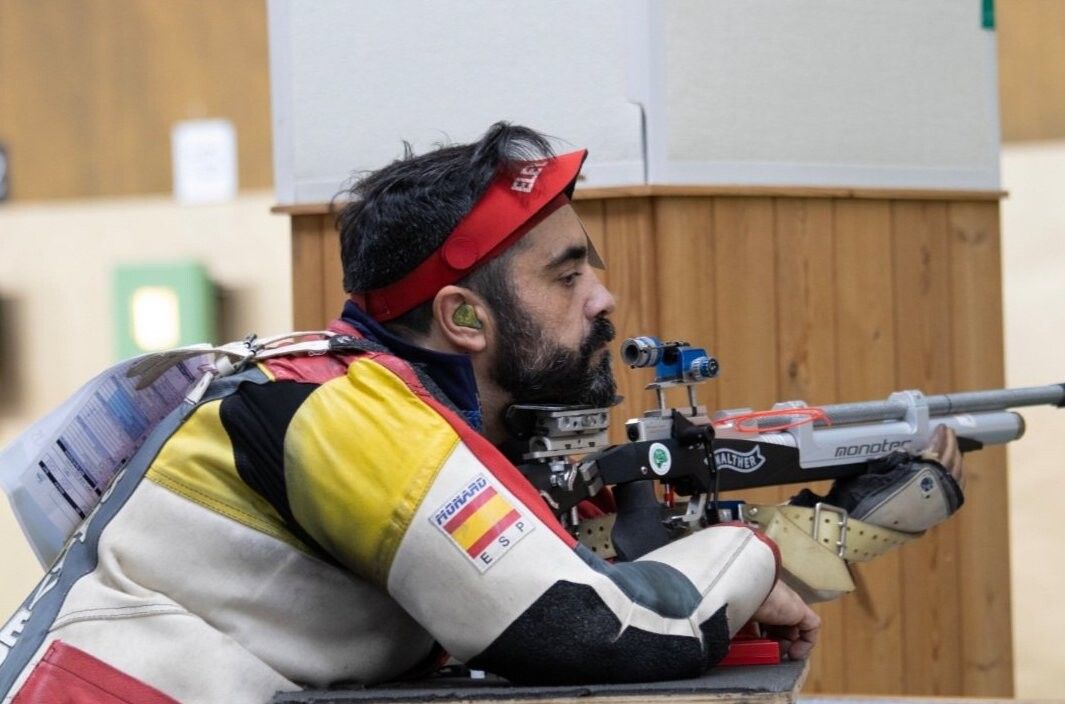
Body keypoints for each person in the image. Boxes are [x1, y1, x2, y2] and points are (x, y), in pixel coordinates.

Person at [0, 123, 962, 704]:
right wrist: (754, 557)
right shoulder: (348, 416)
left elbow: (630, 585)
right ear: (463, 317)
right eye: (567, 271)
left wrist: (836, 531)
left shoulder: (386, 409)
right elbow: (591, 627)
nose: (604, 298)